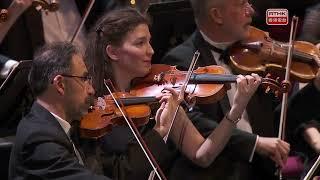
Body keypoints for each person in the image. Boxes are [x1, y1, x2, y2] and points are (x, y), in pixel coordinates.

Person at [85, 7, 276, 180]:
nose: (151, 51)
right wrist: (161, 130)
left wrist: (236, 109)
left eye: (149, 42)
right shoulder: (94, 106)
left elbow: (203, 155)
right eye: (140, 43)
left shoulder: (161, 98)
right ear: (113, 52)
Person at [161, 0, 291, 179]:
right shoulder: (180, 62)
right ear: (217, 15)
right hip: (219, 172)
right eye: (241, 4)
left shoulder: (254, 51)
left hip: (263, 168)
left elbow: (278, 111)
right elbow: (197, 124)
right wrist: (255, 143)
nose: (251, 11)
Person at [8, 42, 112, 180]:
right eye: (84, 79)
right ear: (60, 85)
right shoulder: (37, 139)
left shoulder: (66, 126)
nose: (91, 90)